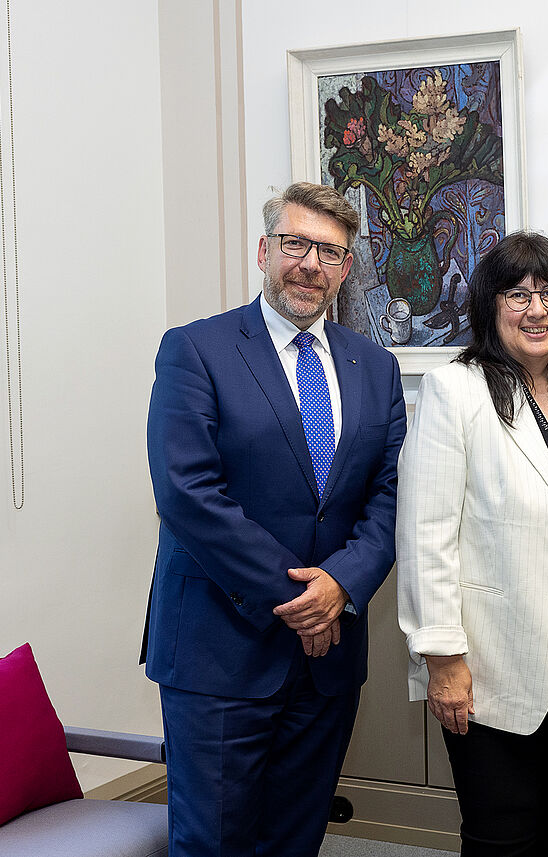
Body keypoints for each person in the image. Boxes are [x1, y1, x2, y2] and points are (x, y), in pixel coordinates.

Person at [142, 182, 405, 857]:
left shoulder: (376, 368)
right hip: (219, 650)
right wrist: (301, 600)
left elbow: (389, 494)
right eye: (295, 244)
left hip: (328, 660)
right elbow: (187, 493)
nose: (310, 264)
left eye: (330, 252)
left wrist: (341, 584)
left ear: (347, 268)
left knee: (296, 838)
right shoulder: (195, 349)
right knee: (215, 842)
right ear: (264, 250)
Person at [397, 232, 548, 856]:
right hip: (489, 661)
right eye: (517, 295)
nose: (537, 309)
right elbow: (425, 532)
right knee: (501, 835)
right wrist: (441, 656)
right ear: (489, 306)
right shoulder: (455, 390)